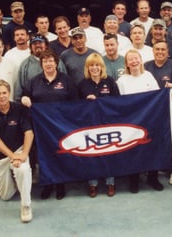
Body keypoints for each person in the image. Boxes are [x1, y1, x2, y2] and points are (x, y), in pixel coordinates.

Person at [21, 49, 77, 200]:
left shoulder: (66, 80)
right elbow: (25, 95)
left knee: (61, 153)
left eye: (51, 61)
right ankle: (47, 184)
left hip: (61, 125)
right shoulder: (34, 81)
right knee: (44, 156)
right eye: (45, 61)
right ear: (41, 64)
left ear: (56, 63)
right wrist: (25, 98)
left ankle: (60, 184)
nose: (48, 64)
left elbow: (75, 102)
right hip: (42, 126)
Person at [0, 80, 34, 223]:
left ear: (9, 93)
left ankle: (26, 205)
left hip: (18, 151)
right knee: (6, 195)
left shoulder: (19, 109)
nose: (2, 96)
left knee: (23, 169)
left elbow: (29, 133)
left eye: (4, 93)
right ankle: (17, 182)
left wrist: (23, 155)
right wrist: (13, 156)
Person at [116, 49, 161, 193]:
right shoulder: (122, 81)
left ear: (141, 60)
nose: (134, 61)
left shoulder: (148, 76)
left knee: (151, 149)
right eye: (131, 59)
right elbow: (119, 102)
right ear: (127, 63)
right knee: (132, 150)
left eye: (136, 58)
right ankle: (134, 180)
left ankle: (152, 177)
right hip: (131, 122)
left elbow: (157, 96)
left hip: (149, 119)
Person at [77, 53, 120, 197]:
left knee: (109, 153)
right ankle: (93, 184)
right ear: (87, 68)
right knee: (92, 154)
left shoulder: (110, 81)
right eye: (91, 66)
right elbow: (74, 107)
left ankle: (110, 183)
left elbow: (117, 103)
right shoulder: (82, 84)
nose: (94, 68)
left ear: (102, 67)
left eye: (97, 65)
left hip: (107, 124)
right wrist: (85, 101)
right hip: (89, 126)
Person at [144, 40, 172, 185]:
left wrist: (162, 102)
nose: (160, 52)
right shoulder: (146, 66)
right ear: (153, 51)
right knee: (154, 138)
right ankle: (158, 167)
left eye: (163, 50)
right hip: (152, 111)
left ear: (167, 52)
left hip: (171, 108)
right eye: (157, 49)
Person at [14, 34, 67, 101]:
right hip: (35, 107)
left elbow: (66, 82)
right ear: (30, 47)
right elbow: (19, 89)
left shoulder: (57, 62)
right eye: (35, 43)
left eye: (40, 43)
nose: (38, 45)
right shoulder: (25, 65)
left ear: (46, 45)